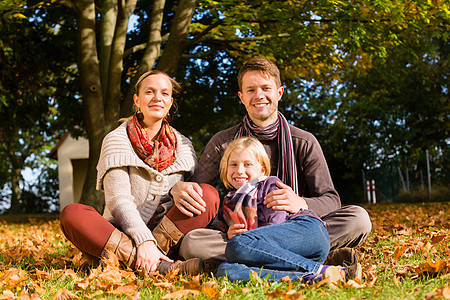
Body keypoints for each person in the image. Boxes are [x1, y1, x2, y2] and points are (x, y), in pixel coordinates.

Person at [172, 57, 372, 267]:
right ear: (241, 97)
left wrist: (301, 202)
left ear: (279, 92)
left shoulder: (303, 142)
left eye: (266, 88)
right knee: (192, 244)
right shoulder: (222, 143)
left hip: (293, 228)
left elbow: (331, 199)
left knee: (358, 219)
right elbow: (201, 196)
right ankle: (305, 256)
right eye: (250, 90)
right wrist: (224, 227)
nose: (259, 95)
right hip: (241, 231)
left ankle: (257, 255)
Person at [59, 70, 220, 275]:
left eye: (164, 93)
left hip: (169, 238)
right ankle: (163, 267)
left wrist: (177, 189)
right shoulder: (116, 140)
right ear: (137, 100)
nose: (157, 98)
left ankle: (139, 260)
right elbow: (118, 200)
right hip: (120, 231)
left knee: (208, 194)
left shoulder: (184, 146)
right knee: (73, 214)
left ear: (171, 101)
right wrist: (144, 240)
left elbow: (192, 200)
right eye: (149, 92)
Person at [213, 137, 361, 283]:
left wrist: (248, 241)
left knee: (237, 246)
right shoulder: (229, 203)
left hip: (306, 231)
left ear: (262, 169)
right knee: (226, 269)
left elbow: (276, 223)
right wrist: (230, 232)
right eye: (233, 164)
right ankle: (315, 276)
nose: (239, 170)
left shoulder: (268, 185)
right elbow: (218, 226)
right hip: (292, 256)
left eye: (247, 164)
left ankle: (319, 270)